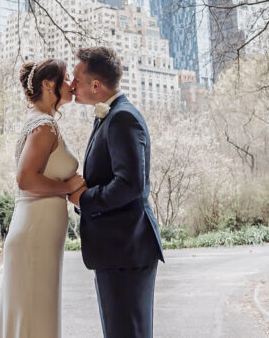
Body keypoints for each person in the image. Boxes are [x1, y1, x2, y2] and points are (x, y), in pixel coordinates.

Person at [69, 46, 164, 338]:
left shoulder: (123, 118)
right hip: (117, 251)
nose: (71, 85)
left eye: (76, 80)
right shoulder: (110, 116)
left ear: (96, 86)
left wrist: (84, 198)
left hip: (126, 250)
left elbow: (130, 184)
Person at [0, 58, 86, 338]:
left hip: (38, 232)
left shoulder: (41, 122)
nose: (71, 83)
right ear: (48, 84)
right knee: (35, 316)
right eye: (66, 77)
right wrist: (67, 186)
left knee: (35, 315)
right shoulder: (44, 126)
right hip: (35, 233)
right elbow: (26, 179)